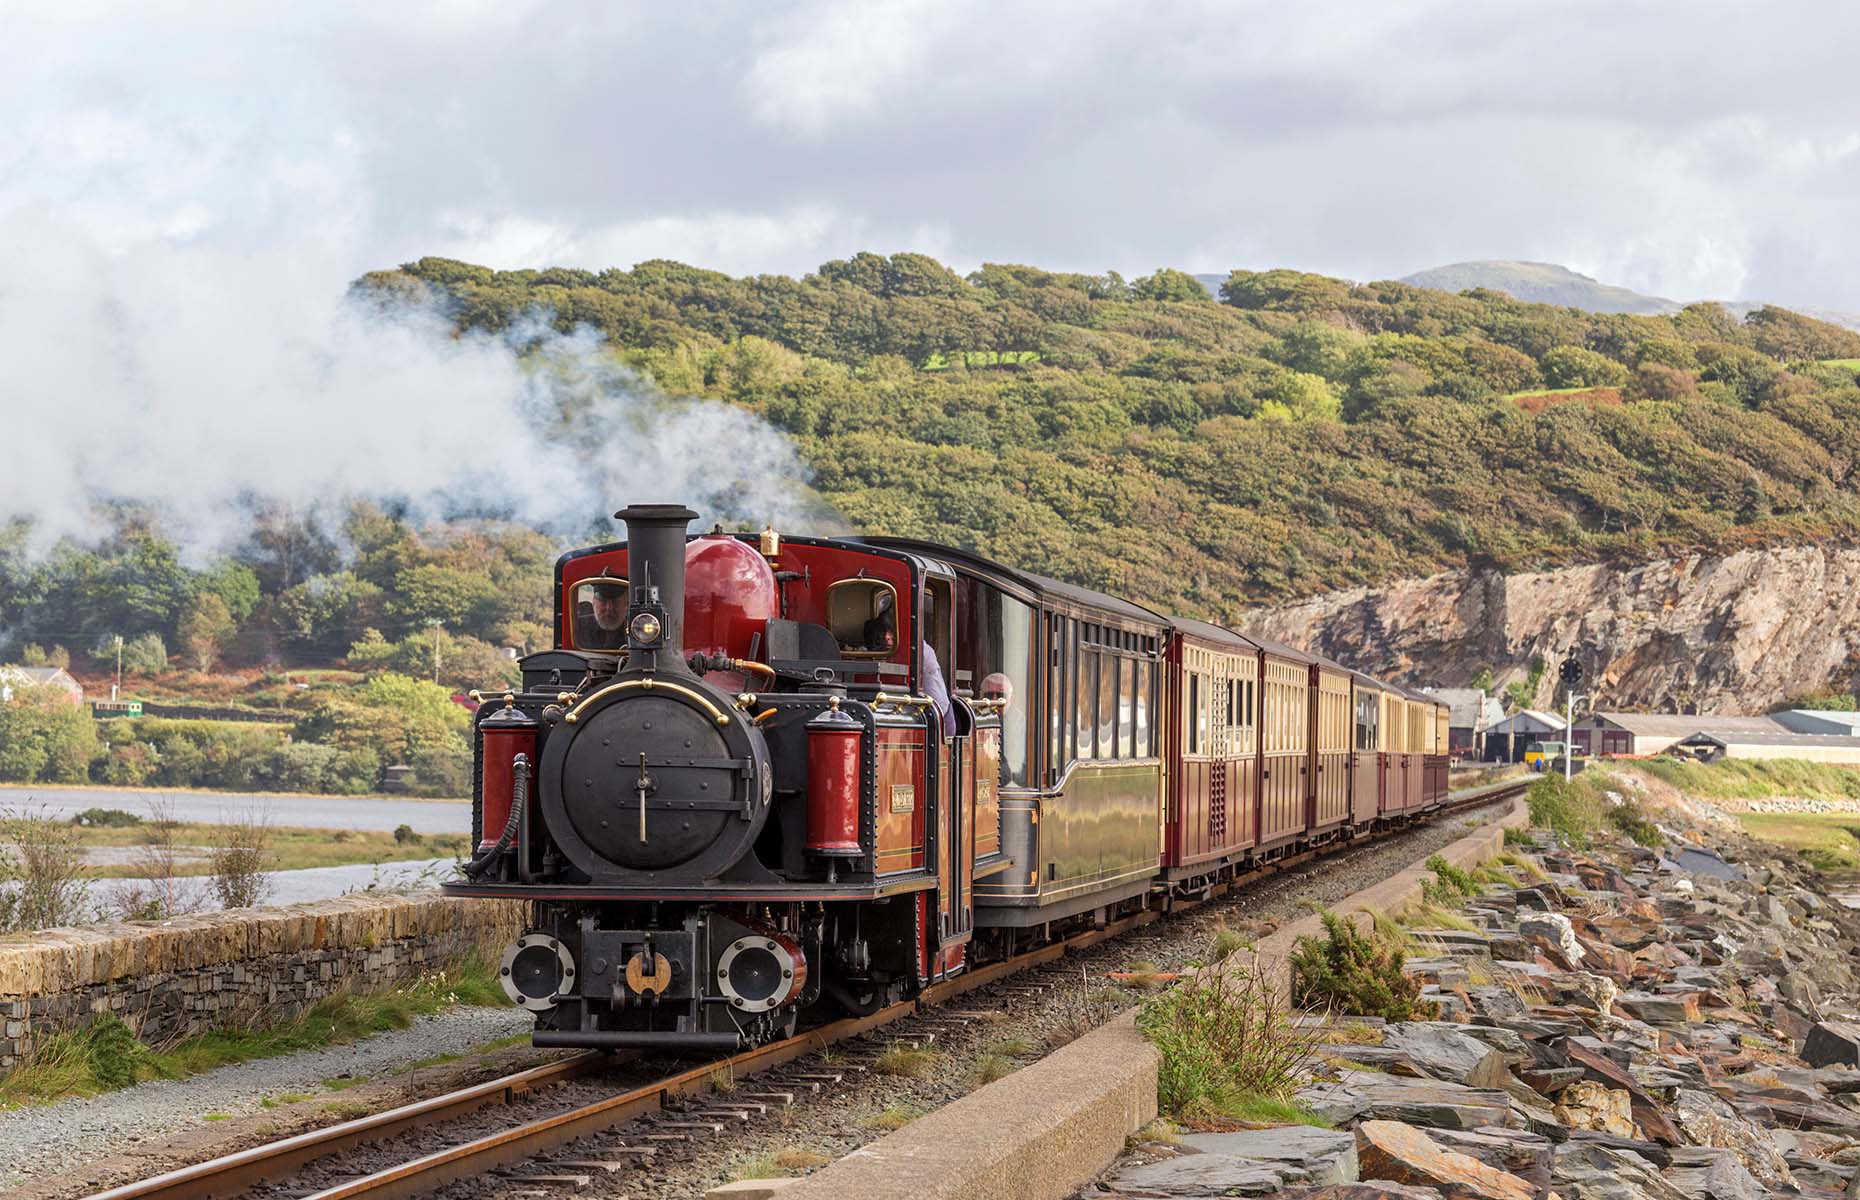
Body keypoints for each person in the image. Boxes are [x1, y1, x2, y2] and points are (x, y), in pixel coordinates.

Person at [577, 579, 628, 651]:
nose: (609, 608)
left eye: (615, 602)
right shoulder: (579, 626)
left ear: (626, 604)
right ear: (594, 602)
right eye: (603, 601)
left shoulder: (634, 630)